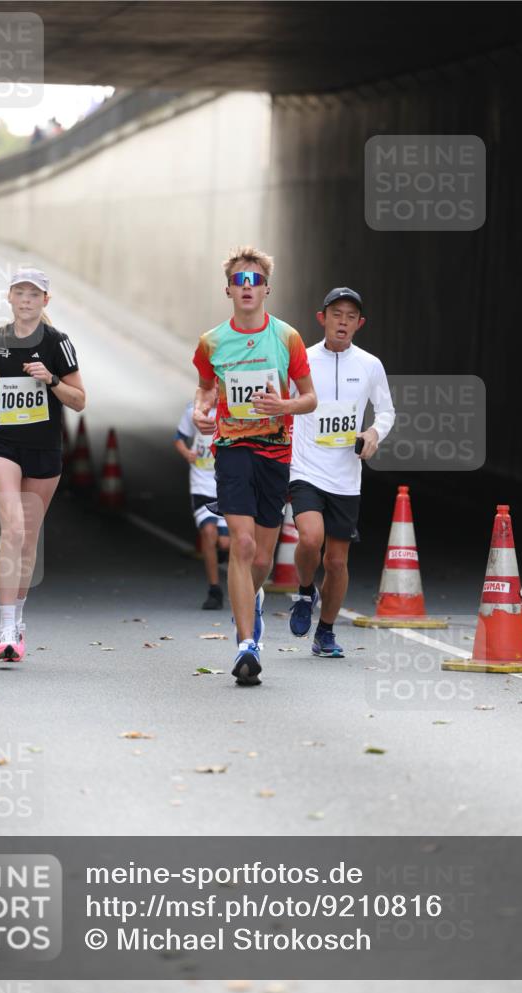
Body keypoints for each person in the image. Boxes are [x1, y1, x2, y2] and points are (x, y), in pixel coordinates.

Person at [193, 246, 317, 686]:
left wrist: (283, 403)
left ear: (267, 289)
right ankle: (247, 643)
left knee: (262, 556)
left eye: (255, 281)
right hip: (231, 449)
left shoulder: (287, 338)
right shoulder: (211, 341)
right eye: (239, 281)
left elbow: (309, 398)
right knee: (242, 546)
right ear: (228, 289)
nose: (247, 288)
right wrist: (200, 410)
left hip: (276, 450)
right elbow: (205, 389)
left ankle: (254, 603)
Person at [0, 267, 85, 662]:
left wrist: (51, 380)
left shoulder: (58, 343)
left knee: (29, 538)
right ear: (9, 297)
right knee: (13, 527)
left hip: (43, 449)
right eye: (20, 292)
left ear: (45, 301)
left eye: (34, 294)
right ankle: (3, 627)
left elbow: (79, 400)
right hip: (0, 444)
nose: (26, 300)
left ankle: (18, 619)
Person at [288, 287, 395, 655]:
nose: (343, 322)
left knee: (336, 562)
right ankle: (304, 592)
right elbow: (283, 400)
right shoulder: (301, 358)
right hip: (305, 468)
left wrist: (373, 433)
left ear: (359, 324)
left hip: (346, 476)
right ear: (322, 318)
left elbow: (386, 411)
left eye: (351, 316)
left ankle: (326, 633)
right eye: (337, 314)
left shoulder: (369, 364)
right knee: (310, 539)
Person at [174, 396, 229, 610]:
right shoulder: (193, 410)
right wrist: (186, 452)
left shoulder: (233, 408)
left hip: (225, 483)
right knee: (208, 532)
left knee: (225, 543)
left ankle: (223, 555)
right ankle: (214, 590)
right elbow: (179, 437)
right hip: (201, 483)